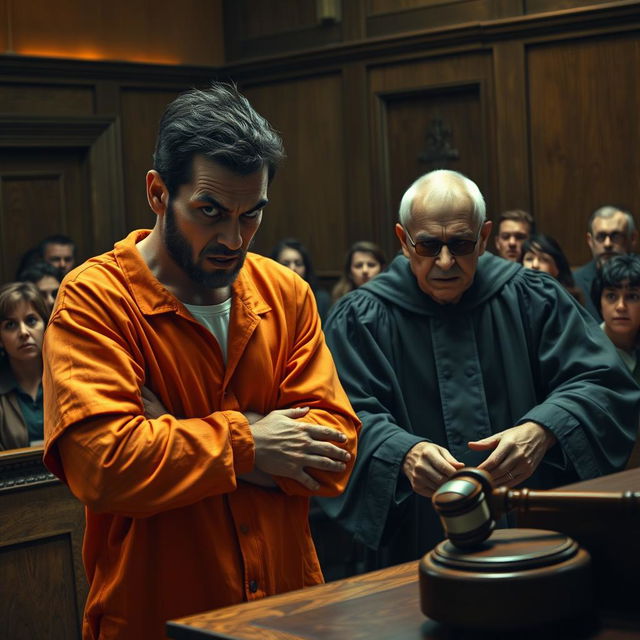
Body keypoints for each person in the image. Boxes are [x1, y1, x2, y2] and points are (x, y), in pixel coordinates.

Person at [42, 84, 359, 640]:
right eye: (210, 212)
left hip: (288, 612)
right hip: (156, 616)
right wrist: (253, 445)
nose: (233, 238)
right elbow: (106, 466)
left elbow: (335, 454)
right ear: (158, 192)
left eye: (250, 215)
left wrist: (169, 430)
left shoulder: (286, 293)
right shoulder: (96, 298)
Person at [319, 169, 638, 570]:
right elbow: (337, 417)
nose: (446, 261)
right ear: (403, 241)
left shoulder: (533, 298)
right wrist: (401, 453)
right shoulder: (360, 319)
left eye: (462, 244)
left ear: (484, 237)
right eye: (430, 245)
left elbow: (603, 384)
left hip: (532, 527)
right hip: (414, 540)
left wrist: (543, 430)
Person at [0, 282, 48, 450]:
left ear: (46, 326)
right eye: (10, 325)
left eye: (31, 320)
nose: (23, 332)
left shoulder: (67, 378)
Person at [574, 206, 637, 320]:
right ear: (590, 241)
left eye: (616, 236)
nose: (607, 244)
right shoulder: (574, 283)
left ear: (632, 238)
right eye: (601, 237)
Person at [591, 254, 640, 385]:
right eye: (611, 296)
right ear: (599, 303)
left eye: (632, 296)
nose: (621, 307)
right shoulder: (587, 351)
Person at [270, 238, 331, 322]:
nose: (293, 268)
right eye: (285, 264)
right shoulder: (266, 298)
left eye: (298, 264)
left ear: (306, 268)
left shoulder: (321, 299)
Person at [521, 233, 583, 303]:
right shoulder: (513, 297)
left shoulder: (569, 302)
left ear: (557, 268)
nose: (535, 265)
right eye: (529, 259)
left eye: (543, 259)